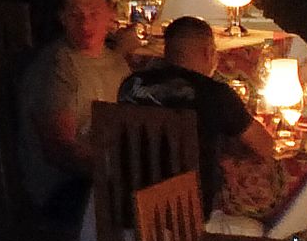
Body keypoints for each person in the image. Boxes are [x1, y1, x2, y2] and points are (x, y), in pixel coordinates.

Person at [115, 15, 272, 203]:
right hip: (185, 210)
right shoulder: (214, 94)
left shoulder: (131, 84)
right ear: (209, 52)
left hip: (125, 203)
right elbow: (264, 146)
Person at [16, 0, 128, 236]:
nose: (85, 24)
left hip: (102, 173)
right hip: (64, 186)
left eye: (94, 14)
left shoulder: (117, 63)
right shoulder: (57, 68)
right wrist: (113, 172)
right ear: (62, 18)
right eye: (75, 15)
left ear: (110, 15)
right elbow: (60, 150)